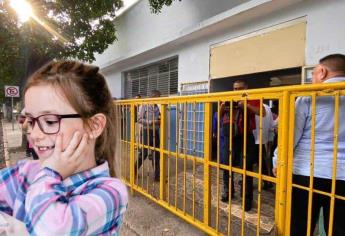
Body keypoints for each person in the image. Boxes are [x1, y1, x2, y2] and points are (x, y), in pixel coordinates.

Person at [0, 60, 128, 235]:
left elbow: (51, 230)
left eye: (50, 121)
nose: (35, 134)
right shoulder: (27, 172)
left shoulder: (110, 192)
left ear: (94, 126)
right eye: (30, 121)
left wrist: (50, 174)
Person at [273, 54, 345, 235]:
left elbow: (289, 138)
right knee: (339, 228)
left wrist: (277, 162)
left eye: (312, 74)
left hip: (307, 172)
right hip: (343, 176)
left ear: (322, 72)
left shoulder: (309, 97)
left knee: (298, 225)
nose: (312, 79)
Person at [222, 80, 266, 211]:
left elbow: (262, 112)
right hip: (230, 136)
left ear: (246, 88)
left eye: (240, 88)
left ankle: (247, 199)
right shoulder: (228, 97)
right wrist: (223, 106)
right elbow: (219, 116)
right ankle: (228, 192)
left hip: (246, 136)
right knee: (226, 165)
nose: (237, 91)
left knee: (246, 168)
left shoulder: (252, 97)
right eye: (235, 88)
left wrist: (245, 105)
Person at [135, 90, 161, 181]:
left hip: (156, 132)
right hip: (146, 131)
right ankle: (134, 171)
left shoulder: (158, 107)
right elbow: (139, 119)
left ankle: (157, 176)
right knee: (144, 153)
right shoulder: (144, 106)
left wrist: (160, 121)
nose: (160, 99)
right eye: (158, 97)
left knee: (156, 154)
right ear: (153, 97)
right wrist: (151, 122)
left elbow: (160, 118)